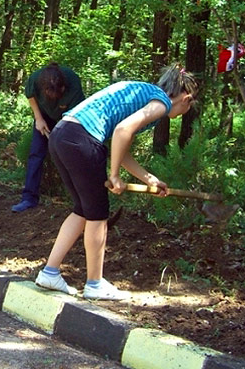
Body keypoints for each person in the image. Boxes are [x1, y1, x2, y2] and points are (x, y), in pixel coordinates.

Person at [34, 65, 198, 300]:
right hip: (81, 139)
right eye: (188, 106)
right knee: (98, 214)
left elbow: (121, 146)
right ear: (186, 98)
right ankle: (94, 284)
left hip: (63, 134)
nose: (184, 111)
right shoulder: (161, 101)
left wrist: (150, 180)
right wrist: (114, 176)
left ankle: (50, 272)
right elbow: (122, 131)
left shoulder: (145, 92)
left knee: (82, 209)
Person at [12, 63, 85, 213]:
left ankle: (81, 200)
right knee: (36, 153)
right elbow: (30, 96)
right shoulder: (36, 79)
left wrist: (61, 134)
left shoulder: (73, 82)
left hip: (70, 117)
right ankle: (29, 198)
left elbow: (78, 113)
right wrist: (38, 119)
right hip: (44, 116)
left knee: (72, 155)